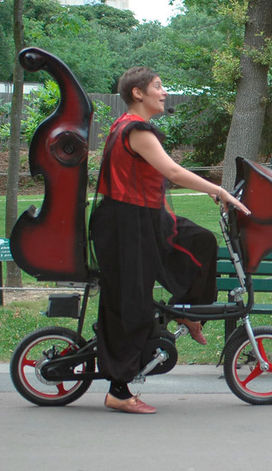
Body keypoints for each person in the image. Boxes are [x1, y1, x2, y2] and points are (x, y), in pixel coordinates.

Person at [91, 66, 250, 414]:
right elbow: (174, 172)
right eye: (158, 87)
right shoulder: (136, 130)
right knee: (130, 302)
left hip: (144, 218)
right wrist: (220, 190)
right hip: (126, 224)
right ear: (138, 94)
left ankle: (187, 312)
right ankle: (119, 391)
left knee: (201, 243)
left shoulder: (132, 127)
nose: (164, 93)